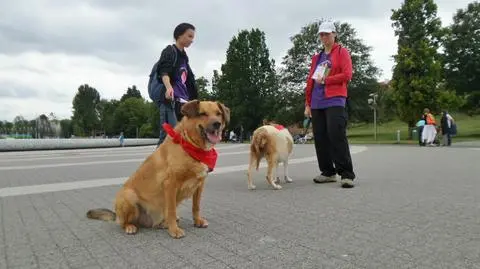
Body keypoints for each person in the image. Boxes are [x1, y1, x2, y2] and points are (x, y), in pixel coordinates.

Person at [304, 20, 356, 188]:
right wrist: (308, 103)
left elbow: (347, 75)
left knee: (336, 134)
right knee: (320, 137)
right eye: (321, 34)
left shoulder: (342, 52)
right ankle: (328, 172)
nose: (324, 37)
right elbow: (310, 81)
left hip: (335, 99)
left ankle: (346, 174)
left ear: (334, 34)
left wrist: (327, 80)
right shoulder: (316, 57)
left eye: (327, 33)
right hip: (317, 102)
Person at [155, 23, 198, 147]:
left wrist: (195, 101)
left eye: (193, 37)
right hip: (171, 101)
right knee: (167, 137)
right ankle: (156, 165)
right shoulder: (170, 51)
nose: (192, 40)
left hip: (183, 103)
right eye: (189, 36)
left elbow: (188, 82)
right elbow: (164, 71)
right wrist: (168, 88)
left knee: (183, 136)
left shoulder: (184, 57)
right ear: (179, 35)